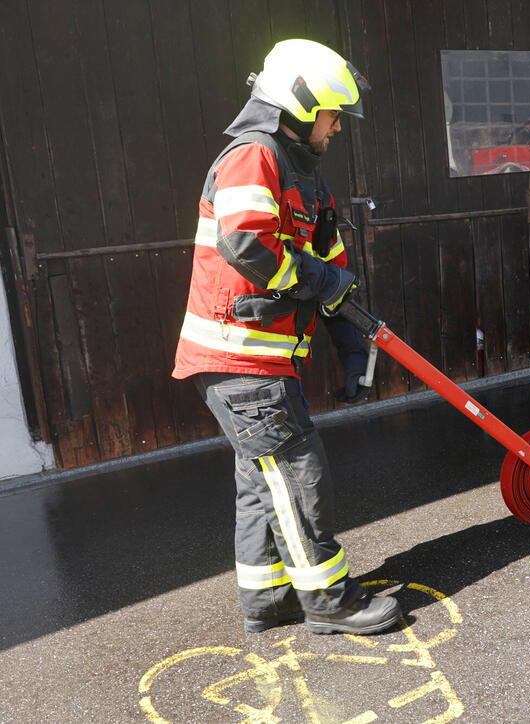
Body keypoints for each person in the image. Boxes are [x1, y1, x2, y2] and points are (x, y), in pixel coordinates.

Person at [172, 39, 401, 635]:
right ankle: (329, 602)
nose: (337, 129)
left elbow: (330, 268)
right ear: (300, 107)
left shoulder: (309, 183)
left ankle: (267, 598)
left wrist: (352, 346)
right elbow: (246, 245)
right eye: (332, 116)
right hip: (238, 360)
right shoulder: (253, 158)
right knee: (299, 473)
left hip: (260, 363)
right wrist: (323, 277)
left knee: (263, 477)